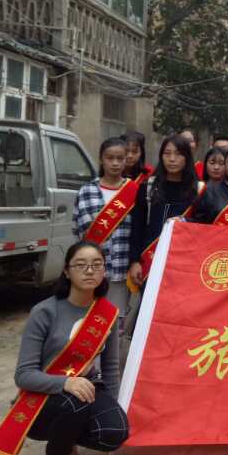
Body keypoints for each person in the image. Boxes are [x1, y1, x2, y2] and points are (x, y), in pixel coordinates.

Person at [10, 242, 128, 455]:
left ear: (104, 270)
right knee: (76, 399)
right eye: (81, 265)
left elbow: (111, 368)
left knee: (115, 431)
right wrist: (66, 382)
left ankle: (66, 439)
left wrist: (112, 406)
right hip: (43, 397)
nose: (90, 271)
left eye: (97, 264)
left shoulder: (107, 314)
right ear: (66, 271)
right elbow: (23, 375)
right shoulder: (44, 311)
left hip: (86, 389)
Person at [128, 135, 204, 288]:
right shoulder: (148, 187)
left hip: (183, 264)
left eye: (178, 154)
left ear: (187, 157)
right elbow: (137, 227)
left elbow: (203, 225)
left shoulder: (198, 189)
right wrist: (135, 261)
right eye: (167, 153)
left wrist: (185, 221)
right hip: (151, 261)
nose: (172, 159)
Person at [72, 137, 134, 322]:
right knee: (87, 321)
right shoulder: (86, 191)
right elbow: (77, 231)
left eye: (120, 158)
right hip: (91, 271)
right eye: (110, 158)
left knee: (116, 322)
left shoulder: (134, 191)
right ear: (101, 159)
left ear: (126, 160)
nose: (115, 163)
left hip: (122, 271)